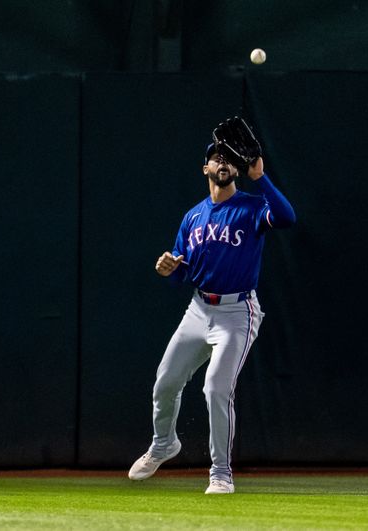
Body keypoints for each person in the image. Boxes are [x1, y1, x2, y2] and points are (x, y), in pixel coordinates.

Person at [128, 141, 296, 494]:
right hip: (199, 308)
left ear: (237, 169)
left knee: (216, 388)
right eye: (217, 158)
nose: (223, 162)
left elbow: (286, 217)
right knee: (165, 382)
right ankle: (163, 444)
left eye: (230, 159)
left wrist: (261, 178)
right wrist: (167, 267)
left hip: (237, 312)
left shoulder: (250, 207)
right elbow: (181, 270)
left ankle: (221, 472)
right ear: (205, 168)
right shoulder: (193, 217)